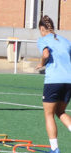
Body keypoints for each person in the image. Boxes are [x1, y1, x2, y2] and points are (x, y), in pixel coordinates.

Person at [36, 15, 71, 153]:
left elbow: (45, 54)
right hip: (69, 81)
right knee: (60, 111)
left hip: (54, 81)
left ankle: (54, 149)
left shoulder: (43, 39)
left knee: (49, 114)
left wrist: (41, 63)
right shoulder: (66, 41)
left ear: (42, 28)